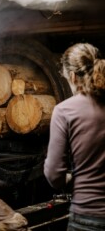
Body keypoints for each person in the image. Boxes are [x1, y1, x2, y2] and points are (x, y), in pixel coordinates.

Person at [44, 43, 105, 231]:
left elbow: (54, 175)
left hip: (88, 215)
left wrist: (71, 179)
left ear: (71, 76)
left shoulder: (64, 111)